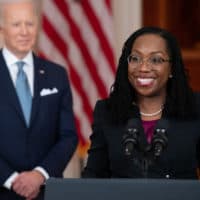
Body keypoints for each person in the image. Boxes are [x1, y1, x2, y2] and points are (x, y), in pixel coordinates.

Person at [82, 26, 200, 179]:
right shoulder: (107, 111)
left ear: (172, 68)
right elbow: (94, 174)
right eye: (135, 58)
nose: (143, 68)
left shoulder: (195, 107)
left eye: (156, 59)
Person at [0, 0, 78, 199]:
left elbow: (68, 136)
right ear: (2, 29)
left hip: (46, 191)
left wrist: (39, 175)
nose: (24, 31)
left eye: (30, 24)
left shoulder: (57, 75)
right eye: (16, 24)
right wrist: (11, 180)